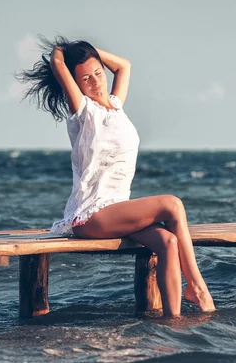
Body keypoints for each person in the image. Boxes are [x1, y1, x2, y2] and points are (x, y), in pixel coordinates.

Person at [17, 36, 215, 317]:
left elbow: (123, 65)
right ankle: (197, 285)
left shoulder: (116, 105)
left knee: (168, 242)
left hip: (118, 209)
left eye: (98, 73)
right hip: (91, 215)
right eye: (86, 79)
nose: (96, 82)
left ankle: (173, 323)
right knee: (172, 204)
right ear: (76, 84)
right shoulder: (82, 112)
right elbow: (58, 63)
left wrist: (90, 52)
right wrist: (62, 50)